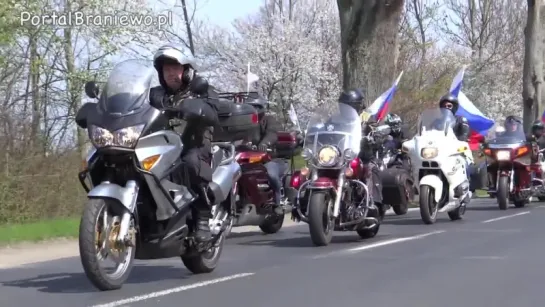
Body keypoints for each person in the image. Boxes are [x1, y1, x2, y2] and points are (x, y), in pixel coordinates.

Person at [150, 44, 220, 243]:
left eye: (175, 68)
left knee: (191, 162)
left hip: (194, 142)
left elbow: (214, 113)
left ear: (187, 71)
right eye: (166, 69)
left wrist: (199, 108)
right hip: (160, 144)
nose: (170, 74)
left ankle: (202, 219)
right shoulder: (154, 95)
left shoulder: (201, 91)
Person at [339, 89, 385, 217]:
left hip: (362, 157)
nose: (347, 108)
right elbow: (327, 128)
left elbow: (374, 130)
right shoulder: (336, 119)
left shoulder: (366, 119)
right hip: (339, 158)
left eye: (350, 105)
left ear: (358, 105)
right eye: (345, 105)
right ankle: (305, 200)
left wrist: (374, 137)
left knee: (369, 170)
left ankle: (372, 203)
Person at [245, 98, 287, 211]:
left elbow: (272, 133)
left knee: (271, 174)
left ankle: (279, 200)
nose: (253, 110)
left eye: (255, 107)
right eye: (250, 107)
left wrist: (265, 143)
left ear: (261, 108)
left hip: (270, 159)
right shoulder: (246, 123)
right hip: (249, 159)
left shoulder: (269, 120)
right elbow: (239, 136)